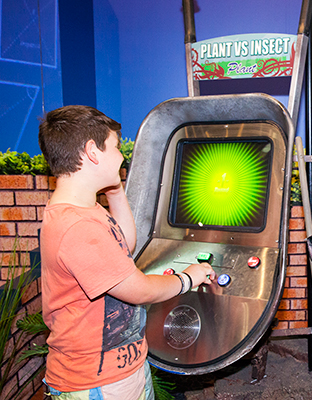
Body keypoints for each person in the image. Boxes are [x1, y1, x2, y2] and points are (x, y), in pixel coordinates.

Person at [38, 105, 216, 400]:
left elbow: (125, 245)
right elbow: (139, 289)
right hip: (95, 384)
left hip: (121, 371)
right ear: (92, 152)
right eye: (115, 147)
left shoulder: (87, 210)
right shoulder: (76, 226)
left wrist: (115, 189)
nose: (121, 156)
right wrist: (188, 278)